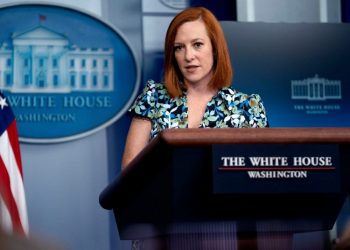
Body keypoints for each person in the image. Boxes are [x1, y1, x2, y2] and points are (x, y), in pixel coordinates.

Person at [122, 6, 269, 169]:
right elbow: (129, 170)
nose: (188, 56)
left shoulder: (248, 107)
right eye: (179, 47)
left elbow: (259, 174)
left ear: (215, 49)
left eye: (197, 44)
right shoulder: (153, 98)